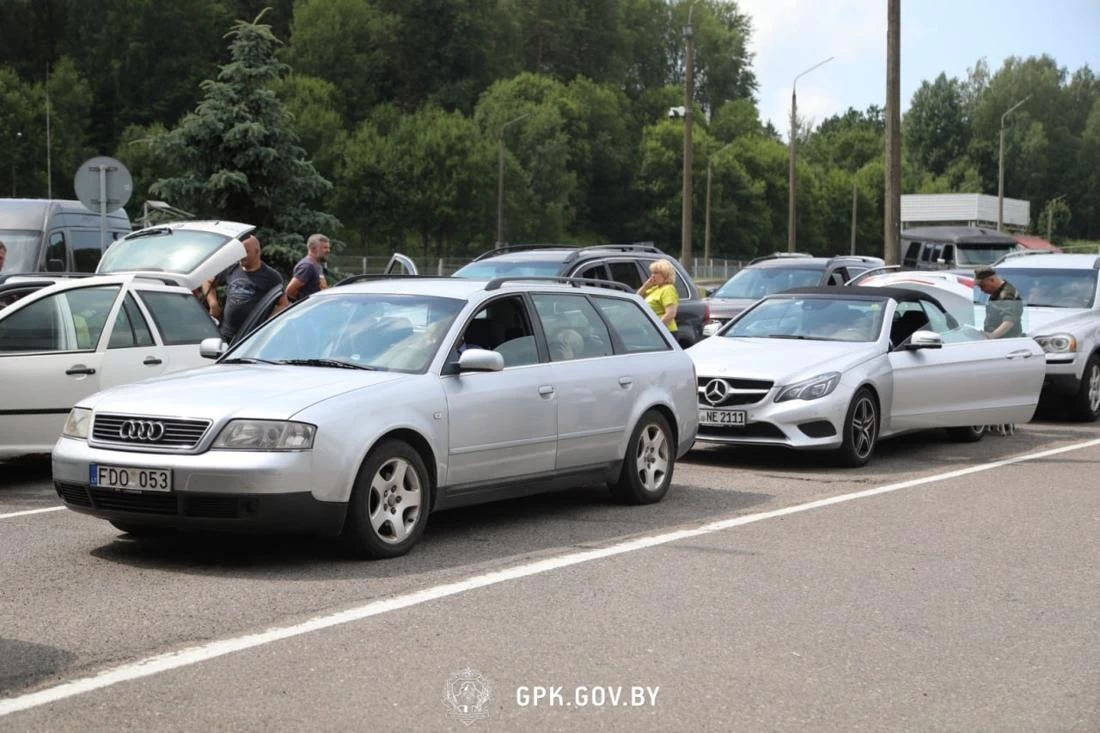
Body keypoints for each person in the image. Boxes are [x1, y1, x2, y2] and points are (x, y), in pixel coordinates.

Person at [203, 235, 287, 344]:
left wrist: (266, 323)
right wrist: (213, 303)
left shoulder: (271, 276)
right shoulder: (231, 268)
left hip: (251, 337)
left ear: (257, 252)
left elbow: (283, 303)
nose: (241, 256)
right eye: (239, 252)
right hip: (226, 334)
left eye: (245, 252)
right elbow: (207, 281)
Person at [975, 266, 1023, 339]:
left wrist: (992, 335)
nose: (981, 290)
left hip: (1006, 341)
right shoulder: (996, 292)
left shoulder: (1006, 294)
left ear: (992, 280)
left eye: (983, 286)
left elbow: (1009, 321)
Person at [285, 233, 331, 303]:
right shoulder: (307, 266)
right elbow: (289, 291)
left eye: (328, 247)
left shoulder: (317, 266)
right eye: (325, 248)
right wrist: (302, 303)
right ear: (313, 249)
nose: (328, 250)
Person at [637, 259, 679, 333]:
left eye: (656, 273)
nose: (652, 276)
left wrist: (657, 328)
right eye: (652, 273)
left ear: (665, 275)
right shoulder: (655, 288)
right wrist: (645, 286)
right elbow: (637, 298)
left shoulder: (668, 289)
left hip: (665, 332)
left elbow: (671, 314)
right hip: (651, 331)